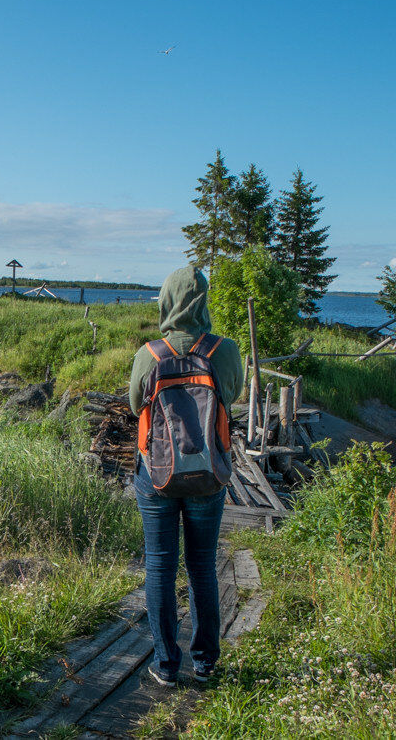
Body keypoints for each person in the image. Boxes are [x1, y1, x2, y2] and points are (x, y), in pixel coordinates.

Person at [129, 265, 243, 687]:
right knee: (201, 565)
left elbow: (133, 404)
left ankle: (165, 665)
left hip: (155, 473)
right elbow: (231, 395)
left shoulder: (150, 353)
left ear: (167, 300)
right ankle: (206, 662)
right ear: (203, 302)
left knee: (159, 566)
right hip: (209, 472)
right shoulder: (224, 350)